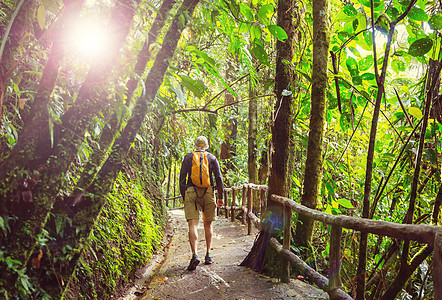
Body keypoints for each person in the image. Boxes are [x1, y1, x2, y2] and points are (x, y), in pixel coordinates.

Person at [179, 136, 224, 271]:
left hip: (191, 191)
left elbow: (182, 178)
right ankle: (208, 255)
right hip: (208, 192)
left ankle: (194, 255)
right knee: (208, 223)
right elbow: (218, 178)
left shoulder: (188, 157)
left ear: (195, 145)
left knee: (192, 223)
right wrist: (220, 196)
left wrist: (184, 195)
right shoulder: (211, 158)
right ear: (206, 145)